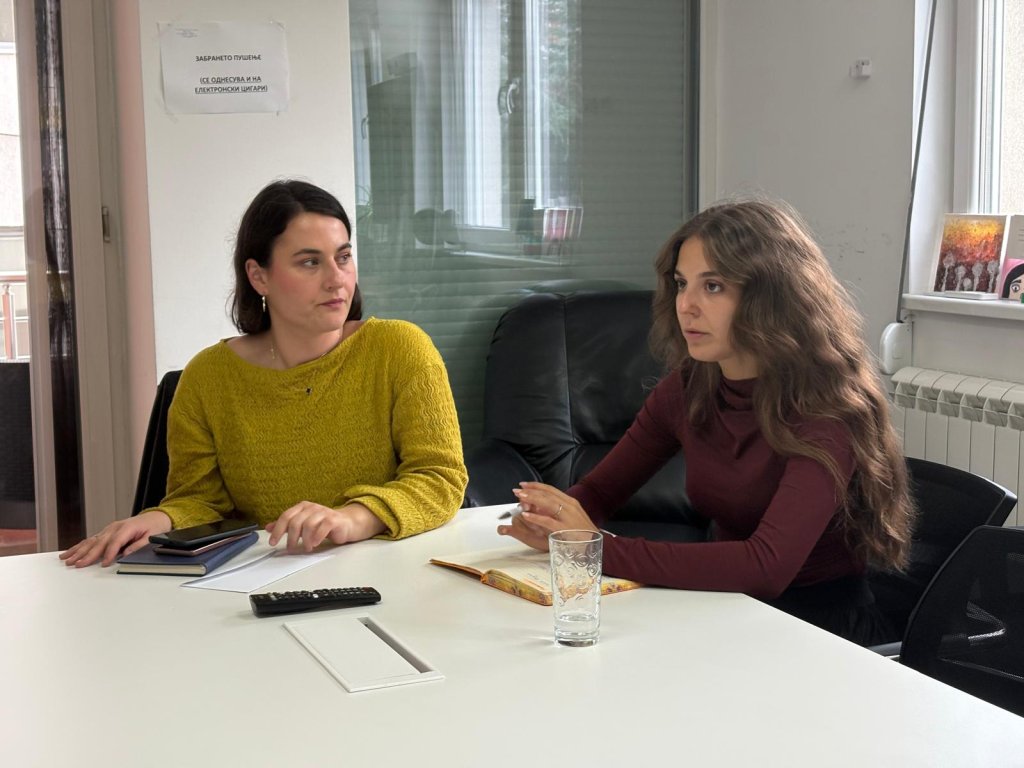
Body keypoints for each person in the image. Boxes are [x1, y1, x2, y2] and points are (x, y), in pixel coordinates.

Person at [498, 198, 915, 645]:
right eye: (681, 284)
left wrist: (591, 547)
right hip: (725, 609)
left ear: (771, 297)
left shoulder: (828, 409)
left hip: (817, 635)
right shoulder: (690, 387)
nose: (686, 306)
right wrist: (550, 522)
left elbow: (765, 567)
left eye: (713, 286)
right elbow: (599, 493)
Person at [62, 180, 467, 568]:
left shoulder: (400, 349)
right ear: (258, 276)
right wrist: (158, 520)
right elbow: (202, 503)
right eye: (310, 262)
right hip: (258, 589)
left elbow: (441, 479)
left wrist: (352, 518)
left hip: (388, 576)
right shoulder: (208, 378)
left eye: (343, 257)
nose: (337, 279)